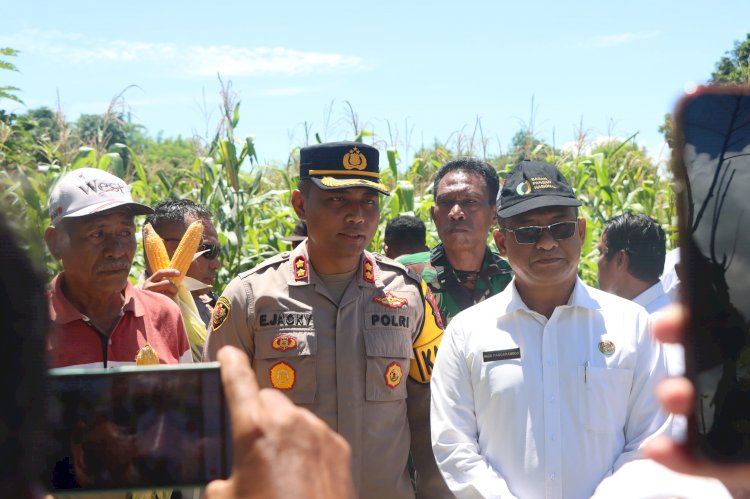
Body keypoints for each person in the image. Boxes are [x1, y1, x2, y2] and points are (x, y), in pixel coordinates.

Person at [204, 141, 450, 499]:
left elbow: (425, 404)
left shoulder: (409, 293)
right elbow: (217, 418)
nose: (357, 216)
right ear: (301, 204)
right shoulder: (250, 296)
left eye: (369, 201)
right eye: (338, 200)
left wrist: (435, 489)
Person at [430, 160, 670, 498]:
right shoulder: (467, 333)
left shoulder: (633, 325)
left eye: (561, 228)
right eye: (528, 232)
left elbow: (652, 438)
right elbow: (453, 444)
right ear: (501, 242)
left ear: (582, 232)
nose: (546, 243)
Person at [44, 168, 192, 368]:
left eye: (125, 233)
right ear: (56, 242)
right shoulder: (22, 327)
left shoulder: (165, 315)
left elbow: (186, 398)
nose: (116, 251)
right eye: (97, 234)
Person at [399, 157, 512, 325]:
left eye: (470, 202)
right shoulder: (404, 276)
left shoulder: (513, 279)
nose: (456, 212)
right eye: (445, 202)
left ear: (494, 214)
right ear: (433, 215)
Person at [597, 213, 684, 377]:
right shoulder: (650, 318)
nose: (598, 262)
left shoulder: (658, 330)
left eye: (601, 252)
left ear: (620, 259)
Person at [141, 199, 222, 325]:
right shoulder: (127, 312)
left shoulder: (214, 304)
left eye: (218, 252)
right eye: (209, 251)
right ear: (166, 250)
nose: (217, 264)